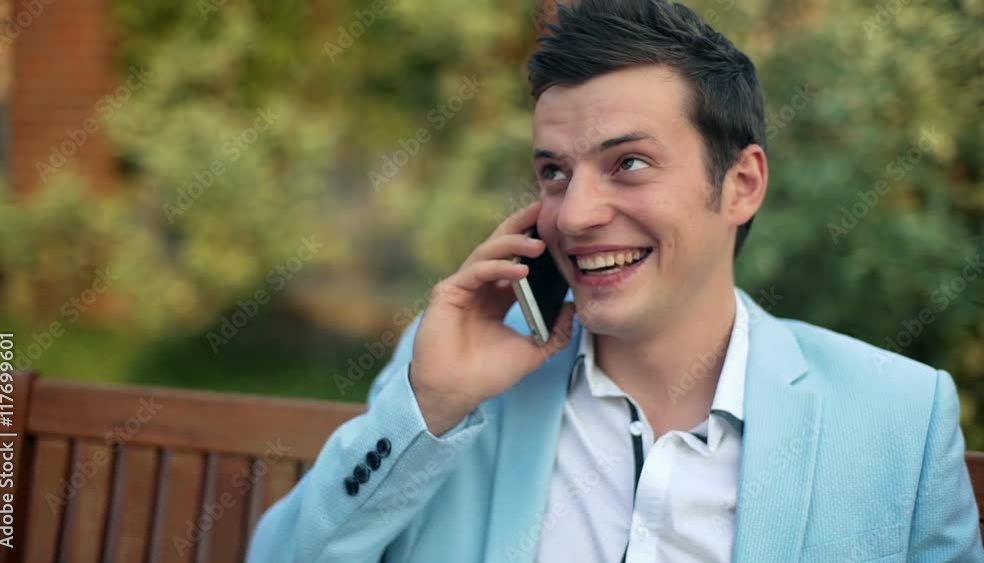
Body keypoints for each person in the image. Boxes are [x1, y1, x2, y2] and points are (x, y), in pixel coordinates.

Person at [246, 0, 983, 561]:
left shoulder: (900, 420)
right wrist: (429, 407)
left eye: (628, 162)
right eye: (554, 172)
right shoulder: (461, 383)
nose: (573, 215)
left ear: (742, 184)